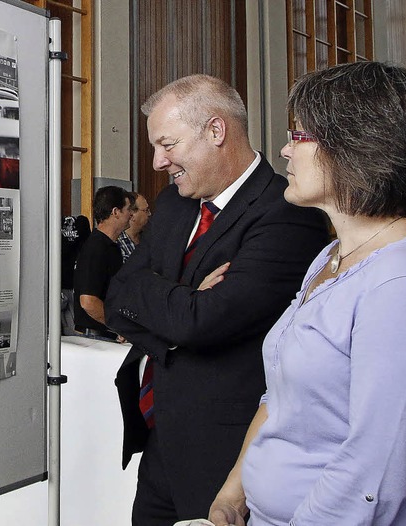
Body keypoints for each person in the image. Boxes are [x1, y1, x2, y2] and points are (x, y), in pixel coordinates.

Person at [104, 74, 329, 525]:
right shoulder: (172, 205)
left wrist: (170, 302)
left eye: (167, 144)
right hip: (159, 442)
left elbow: (204, 322)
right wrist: (184, 300)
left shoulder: (287, 211)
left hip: (225, 460)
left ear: (216, 130)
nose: (158, 161)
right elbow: (116, 295)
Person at [209, 62, 406, 526]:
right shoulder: (329, 257)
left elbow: (374, 472)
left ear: (356, 145)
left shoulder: (399, 282)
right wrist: (233, 495)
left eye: (299, 137)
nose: (284, 150)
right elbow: (279, 396)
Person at [74, 185, 133, 341]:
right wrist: (118, 326)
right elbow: (88, 301)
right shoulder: (96, 248)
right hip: (96, 336)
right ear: (115, 212)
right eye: (128, 209)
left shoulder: (109, 246)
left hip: (103, 334)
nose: (131, 214)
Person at [61, 215, 92, 335]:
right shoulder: (81, 223)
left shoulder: (81, 223)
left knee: (73, 332)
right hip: (68, 285)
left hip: (70, 285)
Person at [117, 192, 151, 263]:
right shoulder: (117, 243)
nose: (150, 214)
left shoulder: (149, 238)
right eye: (146, 210)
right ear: (132, 214)